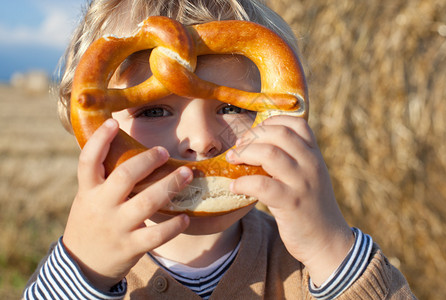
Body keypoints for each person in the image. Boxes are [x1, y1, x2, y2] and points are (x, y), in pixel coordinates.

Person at [24, 0, 416, 299]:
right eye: (155, 109)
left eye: (232, 107)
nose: (200, 140)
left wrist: (331, 247)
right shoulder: (88, 266)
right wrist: (84, 271)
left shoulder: (304, 263)